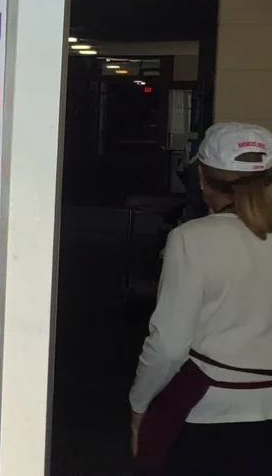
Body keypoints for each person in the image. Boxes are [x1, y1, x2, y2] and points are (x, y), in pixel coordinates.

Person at [130, 121, 272, 474]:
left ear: (204, 180)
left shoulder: (191, 239)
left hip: (206, 413)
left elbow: (169, 345)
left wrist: (139, 403)